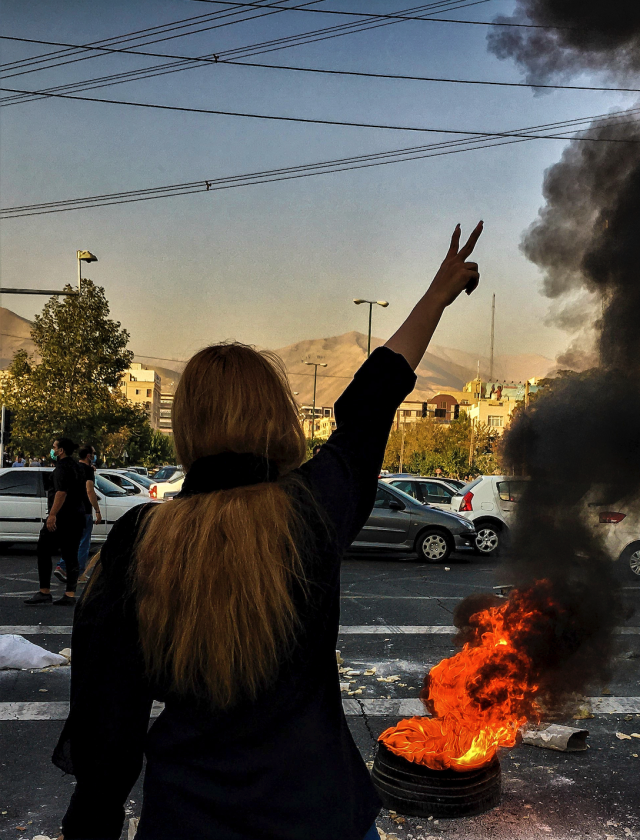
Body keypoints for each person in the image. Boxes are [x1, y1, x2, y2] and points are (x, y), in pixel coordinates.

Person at [51, 222, 482, 840]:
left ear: (185, 426)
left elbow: (106, 733)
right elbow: (371, 401)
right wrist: (437, 295)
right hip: (323, 815)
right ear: (277, 417)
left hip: (190, 820)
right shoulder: (311, 511)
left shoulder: (141, 540)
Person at [24, 438, 87, 606]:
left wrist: (52, 515)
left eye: (54, 447)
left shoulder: (62, 468)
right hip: (77, 516)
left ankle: (44, 591)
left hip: (63, 518)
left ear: (61, 451)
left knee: (43, 549)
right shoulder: (77, 466)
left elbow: (61, 492)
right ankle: (70, 594)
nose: (52, 450)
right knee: (71, 554)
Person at [54, 445, 103, 584]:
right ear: (88, 455)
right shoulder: (87, 470)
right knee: (83, 542)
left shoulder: (74, 467)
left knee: (72, 541)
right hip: (84, 511)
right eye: (93, 453)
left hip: (71, 509)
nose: (94, 455)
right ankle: (79, 573)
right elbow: (89, 490)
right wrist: (97, 510)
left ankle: (62, 565)